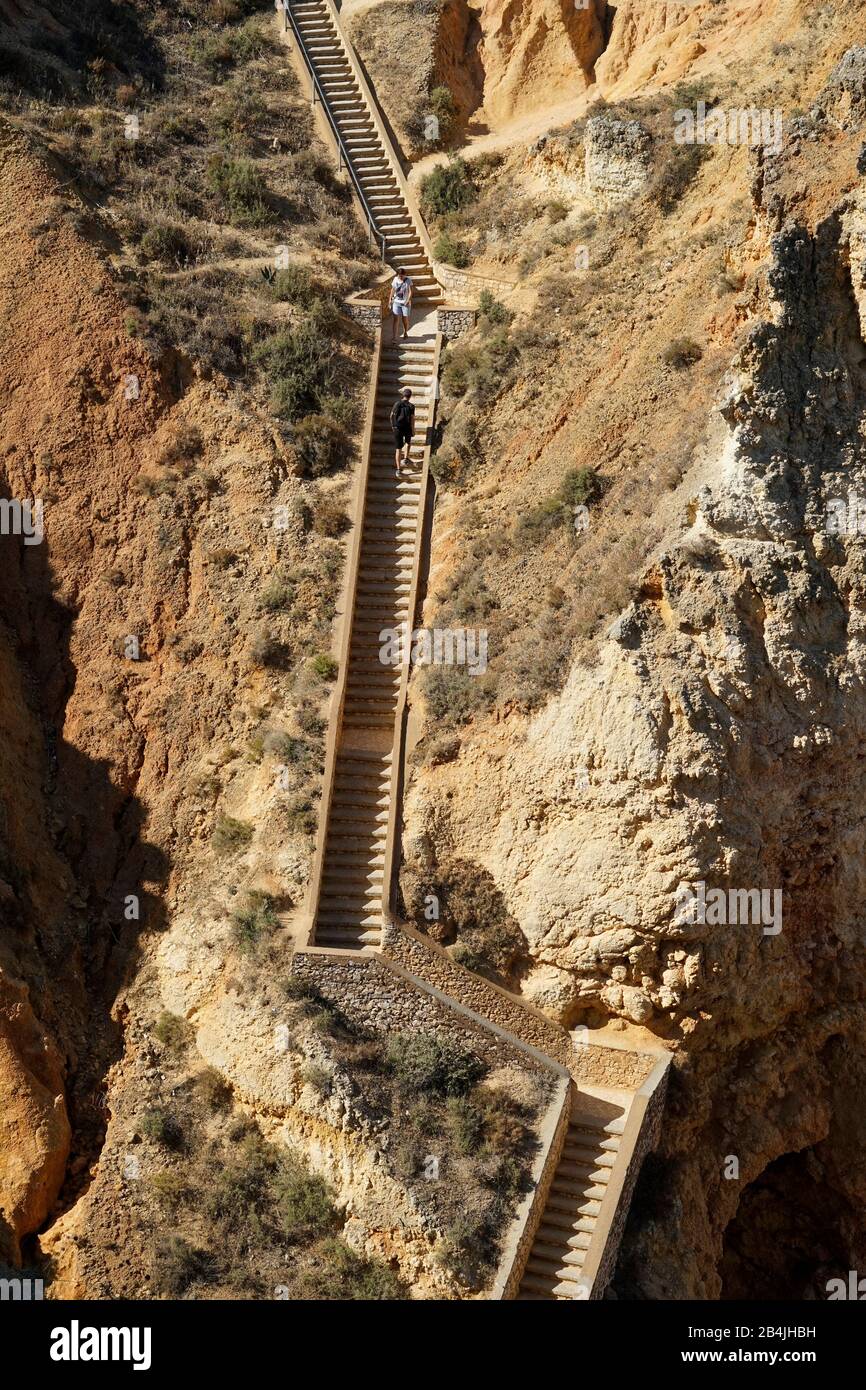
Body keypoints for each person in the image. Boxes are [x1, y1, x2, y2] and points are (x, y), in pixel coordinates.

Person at [390, 387, 415, 475]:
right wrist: (413, 429)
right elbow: (412, 419)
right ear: (410, 396)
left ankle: (398, 469)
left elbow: (391, 416)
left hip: (398, 428)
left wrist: (393, 426)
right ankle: (405, 459)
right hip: (407, 428)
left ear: (403, 395)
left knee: (398, 449)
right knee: (408, 442)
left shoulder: (397, 403)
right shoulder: (411, 406)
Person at [388, 267, 413, 341]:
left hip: (405, 303)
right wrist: (390, 300)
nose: (401, 277)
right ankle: (394, 337)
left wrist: (408, 300)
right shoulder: (395, 279)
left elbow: (410, 291)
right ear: (398, 275)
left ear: (405, 275)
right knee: (395, 319)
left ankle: (405, 332)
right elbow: (393, 290)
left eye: (402, 276)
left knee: (404, 319)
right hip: (396, 302)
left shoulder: (408, 280)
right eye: (399, 276)